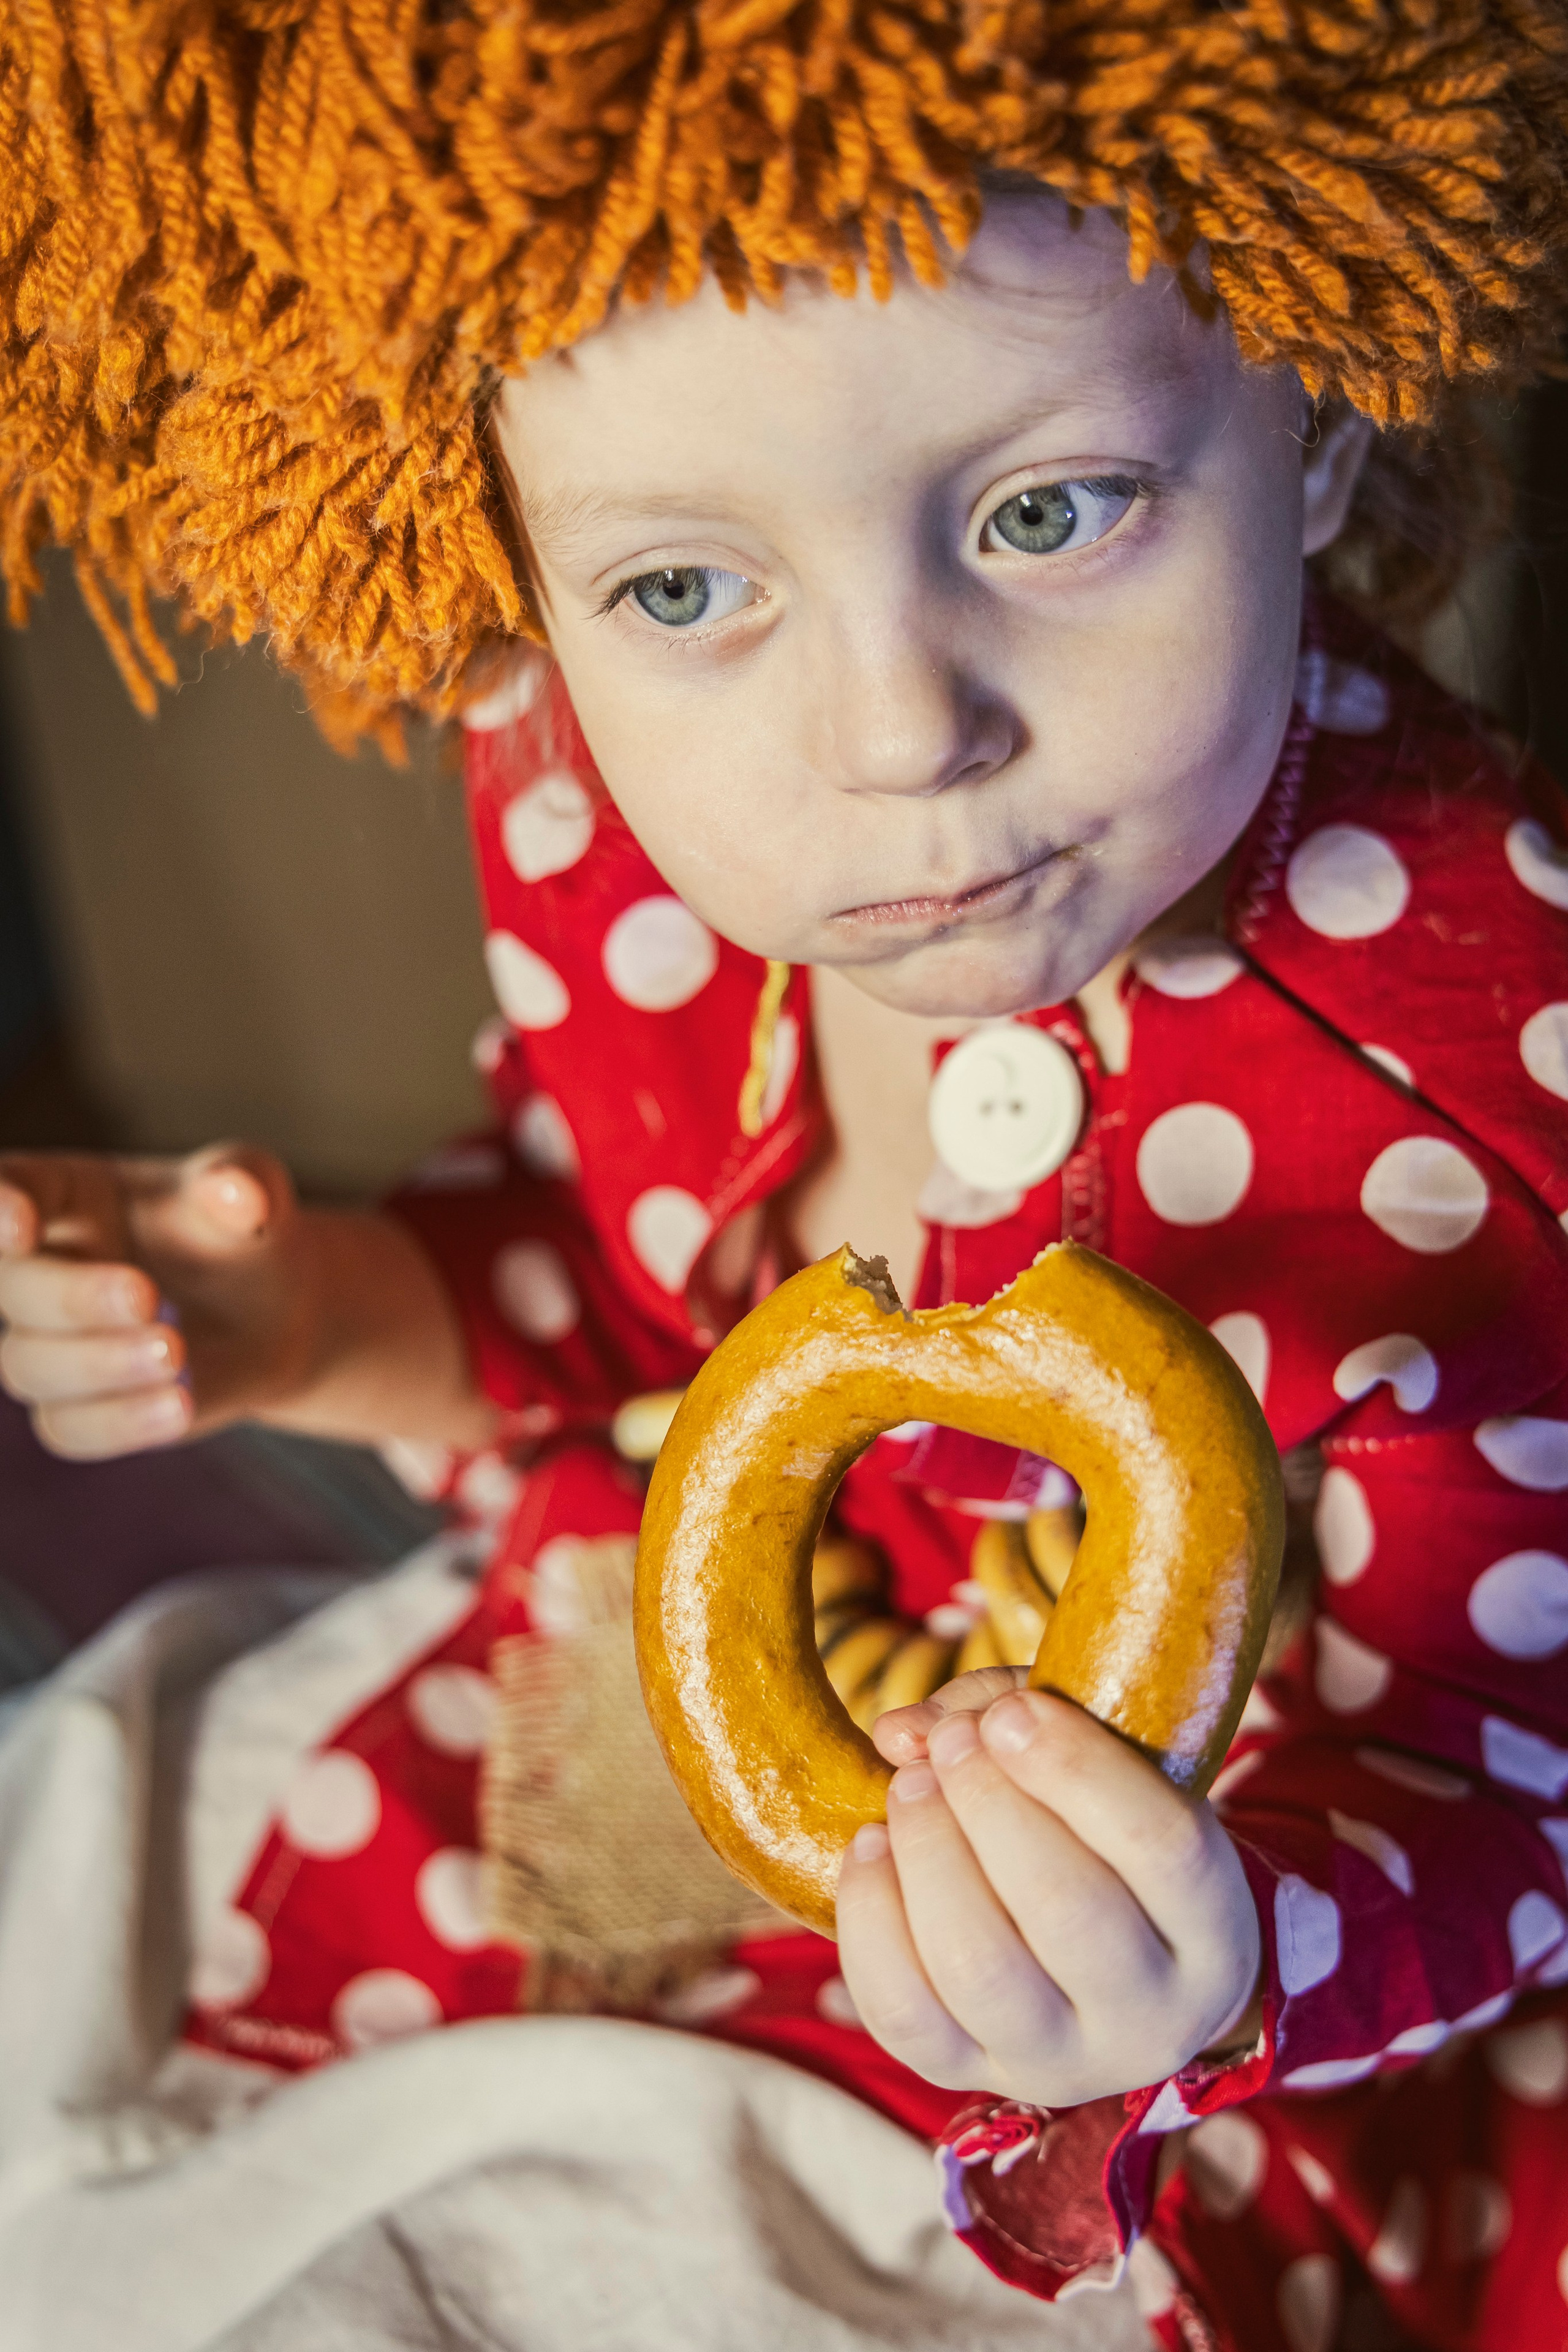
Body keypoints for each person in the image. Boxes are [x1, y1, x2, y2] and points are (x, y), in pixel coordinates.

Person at [2, 1, 1568, 2343]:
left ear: (1318, 423)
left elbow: (1511, 1800)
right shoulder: (566, 799)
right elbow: (617, 1296)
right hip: (624, 1749)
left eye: (1048, 514)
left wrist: (1205, 1969)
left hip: (1216, 2027)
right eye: (679, 592)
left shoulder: (1502, 1070)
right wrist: (316, 1313)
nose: (892, 736)